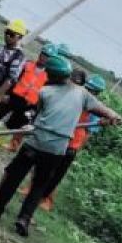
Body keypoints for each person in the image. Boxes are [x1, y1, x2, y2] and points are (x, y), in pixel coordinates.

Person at [0, 56, 122, 236]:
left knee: (14, 176)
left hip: (36, 142)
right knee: (39, 185)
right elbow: (105, 111)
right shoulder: (84, 95)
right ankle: (24, 219)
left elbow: (39, 115)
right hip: (56, 149)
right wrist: (114, 117)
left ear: (53, 76)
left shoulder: (46, 91)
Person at [37, 73, 106, 212]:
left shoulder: (95, 109)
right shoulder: (76, 98)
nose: (89, 92)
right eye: (88, 88)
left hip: (72, 144)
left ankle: (47, 199)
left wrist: (78, 148)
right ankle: (32, 190)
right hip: (60, 138)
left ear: (97, 93)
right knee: (42, 166)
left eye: (93, 91)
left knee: (57, 174)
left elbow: (88, 133)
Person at [0, 44, 57, 151]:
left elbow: (44, 94)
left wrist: (35, 109)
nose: (44, 57)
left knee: (13, 123)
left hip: (28, 103)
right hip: (14, 96)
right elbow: (15, 79)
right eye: (43, 54)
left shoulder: (49, 77)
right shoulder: (27, 65)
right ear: (40, 54)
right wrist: (7, 93)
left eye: (47, 56)